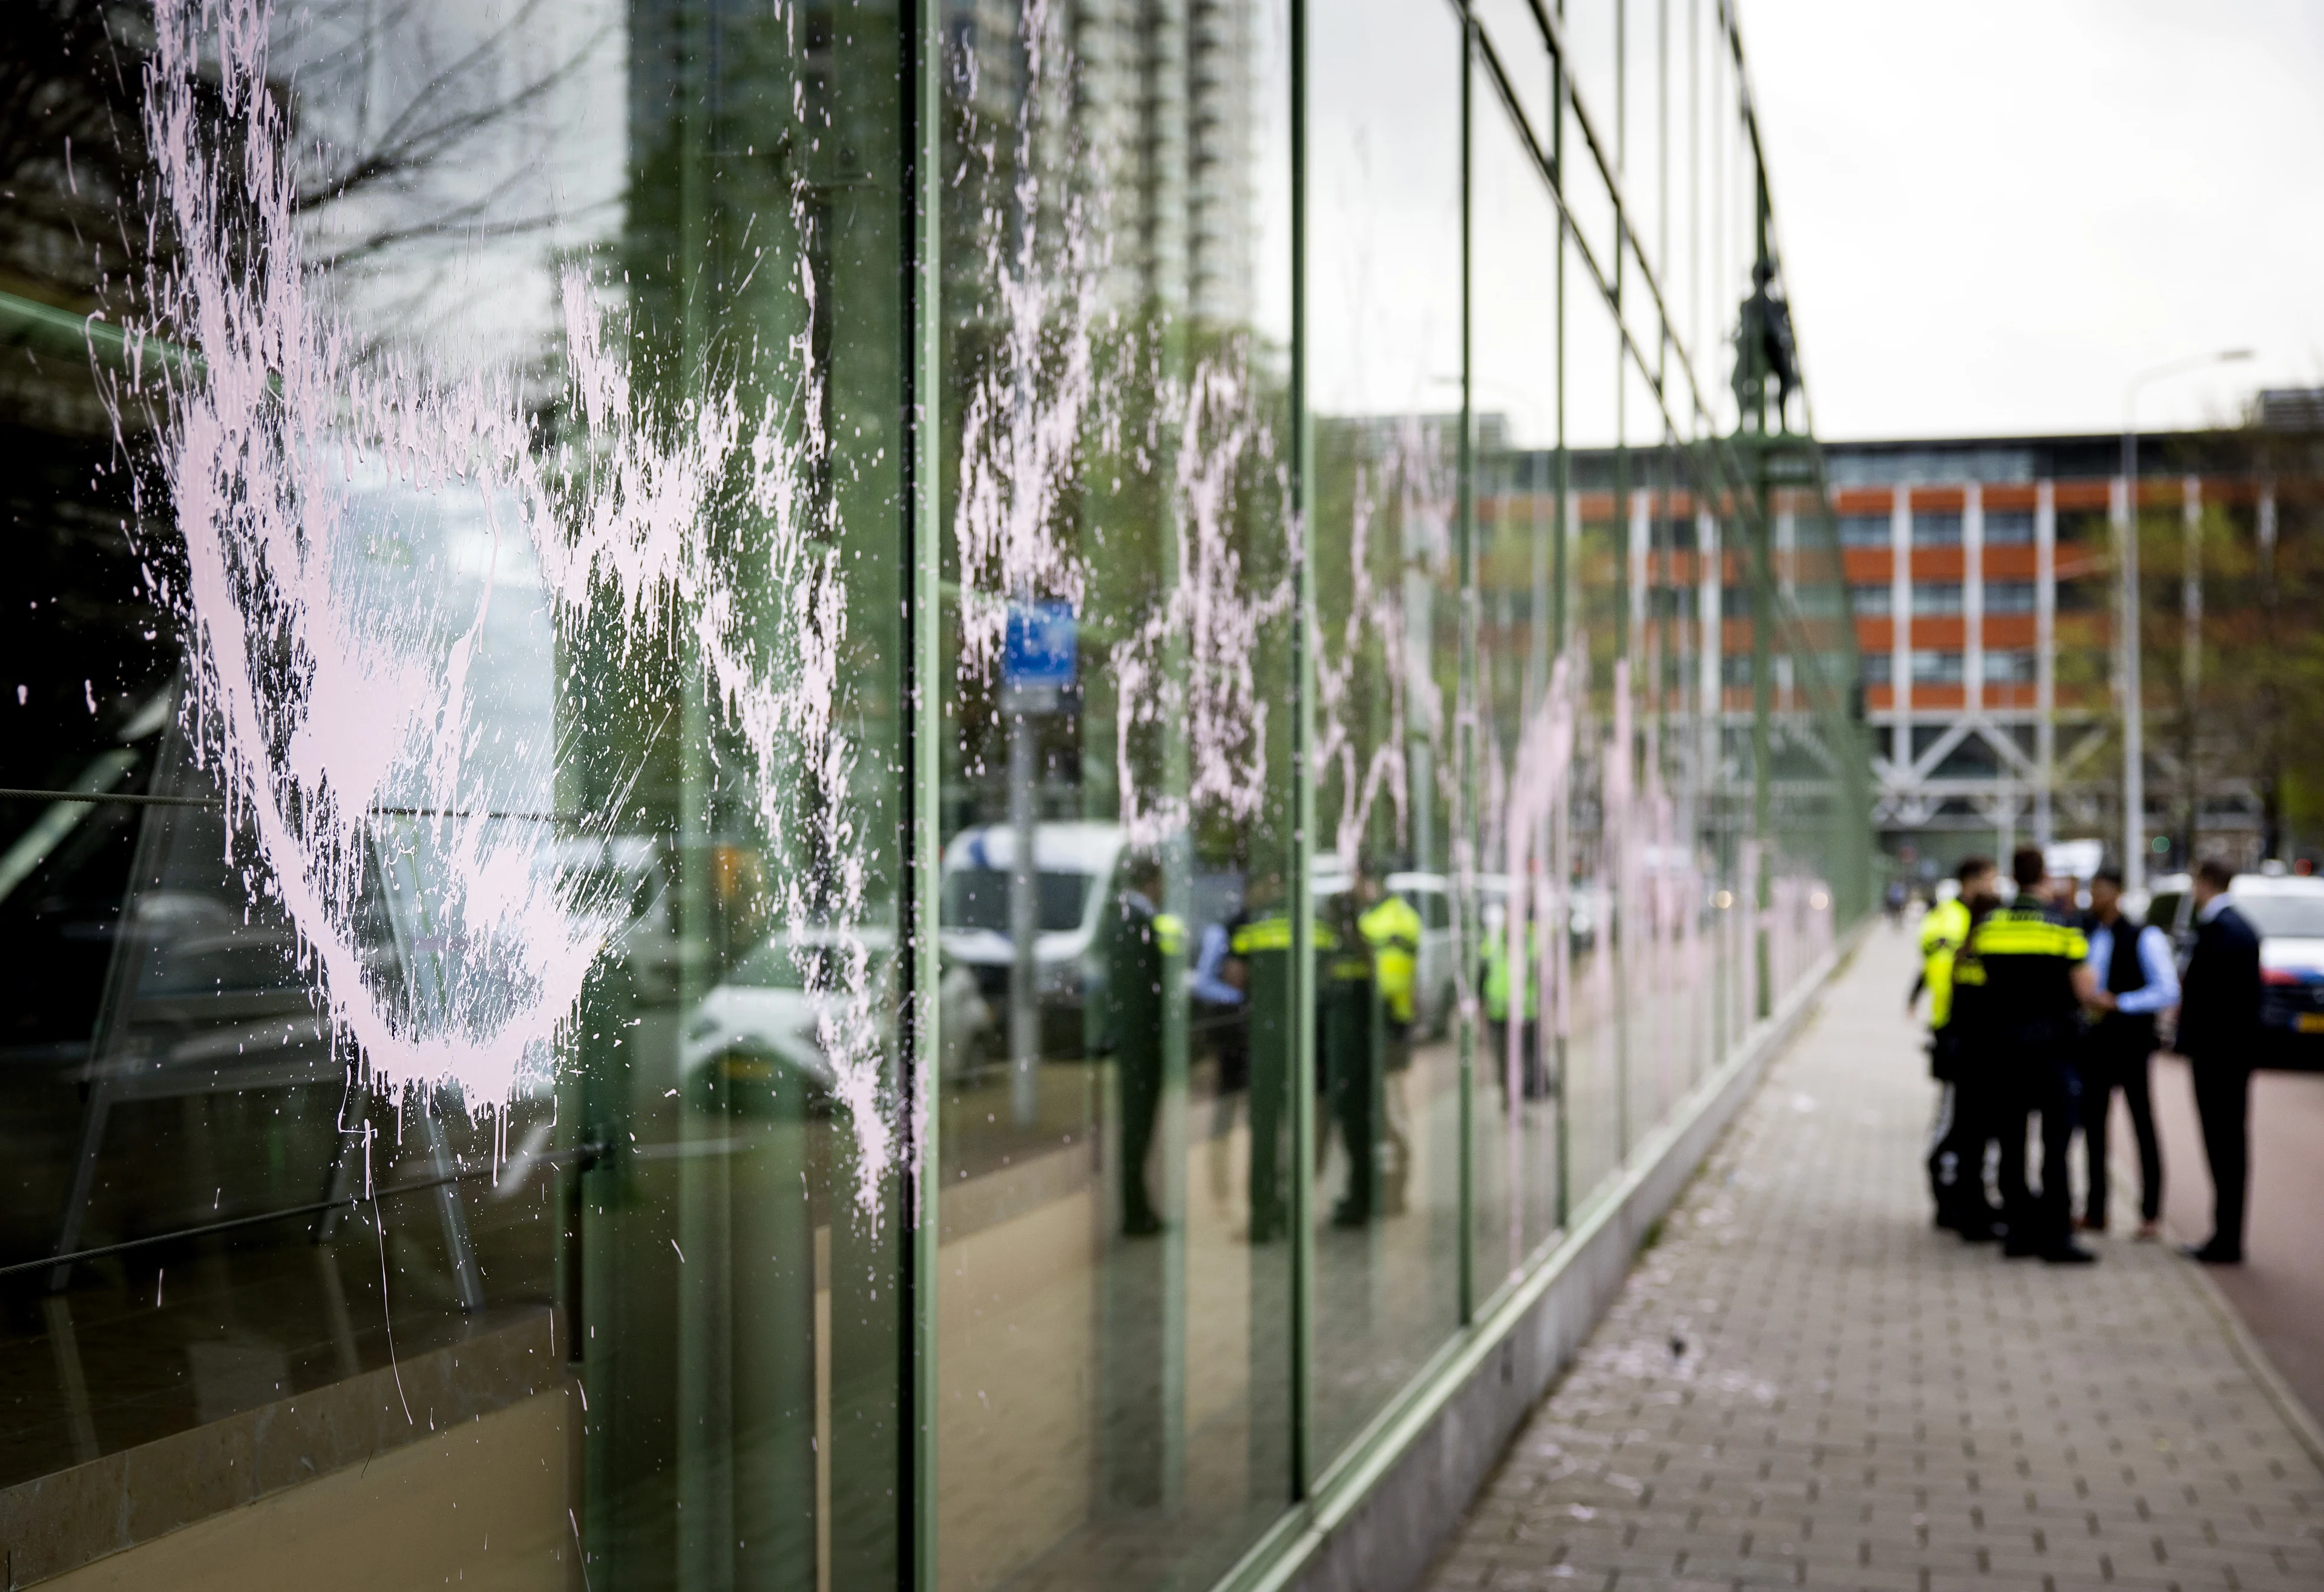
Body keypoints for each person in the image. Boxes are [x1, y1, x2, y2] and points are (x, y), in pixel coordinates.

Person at [1968, 845, 2103, 1263]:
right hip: (2053, 1050)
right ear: (2044, 877)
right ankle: (2056, 1237)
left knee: (2011, 1141)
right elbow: (2084, 989)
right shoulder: (2063, 925)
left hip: (2004, 1048)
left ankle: (2017, 1233)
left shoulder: (1991, 924)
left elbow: (1973, 976)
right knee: (2056, 1145)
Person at [2077, 867, 2176, 1239]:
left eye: (2101, 890)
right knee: (2093, 1128)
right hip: (2093, 1044)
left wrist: (2121, 1003)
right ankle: (2095, 1209)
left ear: (2117, 893)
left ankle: (2151, 1214)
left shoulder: (2143, 936)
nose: (2094, 897)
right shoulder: (2084, 932)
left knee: (2142, 1125)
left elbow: (2167, 989)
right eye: (2092, 890)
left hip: (2131, 1044)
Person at [2176, 859, 2263, 1265]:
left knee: (2224, 1146)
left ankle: (2226, 1239)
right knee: (2227, 1145)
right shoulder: (2235, 926)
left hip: (2219, 1059)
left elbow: (2217, 1000)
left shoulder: (2223, 930)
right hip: (2227, 1056)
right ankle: (2225, 1234)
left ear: (2205, 883)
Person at [1917, 856, 2004, 1238]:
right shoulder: (1952, 919)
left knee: (1971, 1123)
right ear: (1974, 880)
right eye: (1991, 879)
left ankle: (1968, 1197)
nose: (1996, 885)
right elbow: (1942, 972)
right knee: (1954, 1121)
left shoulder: (1970, 916)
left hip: (1971, 1032)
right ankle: (1948, 1196)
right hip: (1957, 1031)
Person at [1092, 856, 1177, 1237]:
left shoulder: (1128, 918)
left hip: (1138, 1039)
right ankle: (1135, 1212)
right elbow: (1137, 990)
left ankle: (1139, 1208)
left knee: (1139, 1127)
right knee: (1137, 1127)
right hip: (1139, 1041)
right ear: (1152, 881)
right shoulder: (1133, 921)